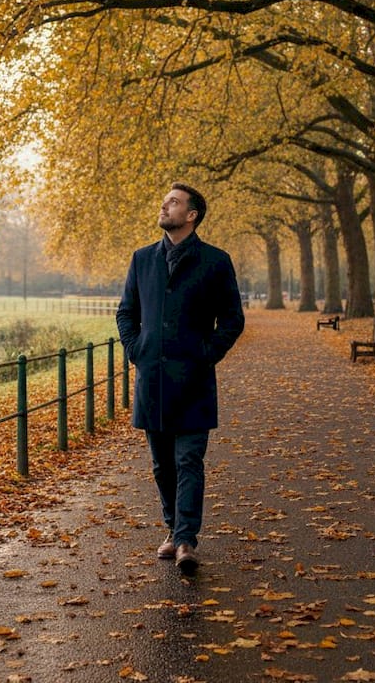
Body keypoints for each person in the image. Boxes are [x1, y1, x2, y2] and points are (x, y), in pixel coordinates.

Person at [115, 182, 245, 575]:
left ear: (191, 215)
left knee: (188, 459)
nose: (164, 205)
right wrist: (138, 349)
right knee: (161, 465)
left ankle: (186, 539)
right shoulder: (142, 260)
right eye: (164, 199)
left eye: (172, 202)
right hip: (152, 379)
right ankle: (173, 528)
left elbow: (233, 320)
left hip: (193, 380)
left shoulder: (216, 261)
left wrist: (206, 354)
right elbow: (125, 313)